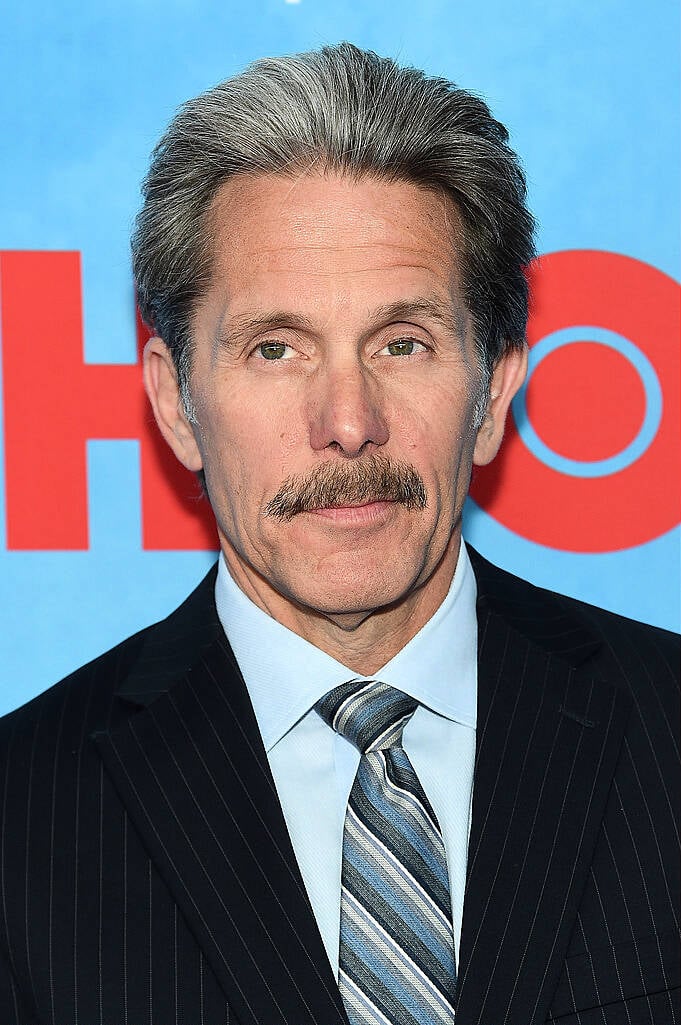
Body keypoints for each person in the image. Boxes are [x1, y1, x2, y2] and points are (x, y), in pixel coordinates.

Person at [0, 43, 678, 1025]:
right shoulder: (22, 820)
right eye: (276, 348)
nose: (349, 419)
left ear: (493, 390)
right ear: (175, 402)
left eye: (403, 342)